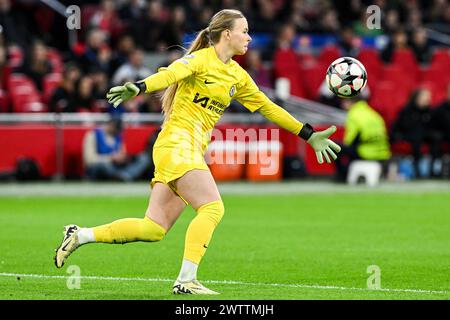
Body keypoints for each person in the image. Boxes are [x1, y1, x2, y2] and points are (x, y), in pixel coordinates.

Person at [54, 9, 341, 295]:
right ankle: (186, 280)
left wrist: (309, 135)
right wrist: (140, 88)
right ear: (226, 34)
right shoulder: (200, 60)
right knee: (213, 207)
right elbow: (169, 74)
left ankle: (80, 235)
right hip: (176, 144)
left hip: (186, 149)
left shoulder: (237, 76)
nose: (249, 38)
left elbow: (269, 107)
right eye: (245, 31)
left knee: (153, 228)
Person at [334, 97, 391, 182]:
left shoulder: (353, 114)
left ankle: (342, 176)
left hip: (366, 153)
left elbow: (349, 141)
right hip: (384, 153)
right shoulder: (373, 113)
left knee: (333, 146)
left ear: (349, 102)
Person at [391, 88, 441, 178]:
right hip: (409, 136)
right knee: (416, 138)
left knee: (435, 138)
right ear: (417, 97)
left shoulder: (430, 112)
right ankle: (416, 169)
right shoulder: (407, 110)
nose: (428, 99)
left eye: (428, 97)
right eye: (425, 96)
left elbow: (434, 126)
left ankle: (433, 169)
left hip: (424, 136)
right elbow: (400, 126)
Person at [82, 116, 152, 181]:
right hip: (101, 166)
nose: (119, 133)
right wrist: (110, 158)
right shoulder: (92, 135)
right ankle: (121, 175)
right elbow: (89, 160)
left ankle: (123, 175)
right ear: (111, 126)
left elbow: (122, 154)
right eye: (117, 130)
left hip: (116, 166)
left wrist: (123, 158)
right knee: (104, 166)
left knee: (144, 158)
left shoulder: (117, 136)